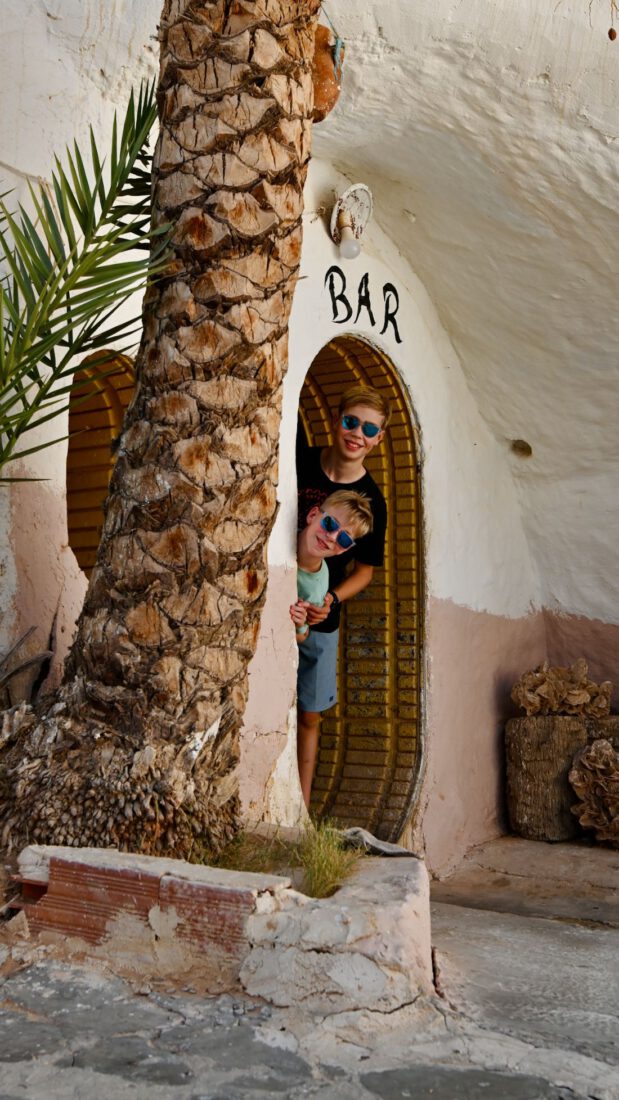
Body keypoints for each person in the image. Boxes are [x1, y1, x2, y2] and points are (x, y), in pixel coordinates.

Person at [295, 384, 390, 807]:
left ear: (379, 439)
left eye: (369, 428)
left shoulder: (374, 501)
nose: (358, 434)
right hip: (275, 592)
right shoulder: (299, 461)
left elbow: (365, 573)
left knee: (309, 714)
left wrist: (329, 599)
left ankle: (301, 806)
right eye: (352, 422)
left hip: (321, 614)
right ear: (337, 420)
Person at [290, 489, 374, 808]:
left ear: (344, 552)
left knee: (310, 713)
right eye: (329, 524)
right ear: (313, 515)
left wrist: (300, 622)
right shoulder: (282, 536)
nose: (331, 538)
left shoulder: (318, 583)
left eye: (343, 540)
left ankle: (304, 805)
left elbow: (302, 635)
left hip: (306, 637)